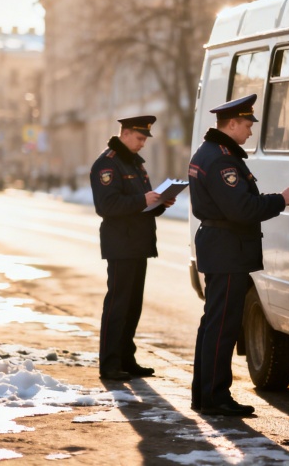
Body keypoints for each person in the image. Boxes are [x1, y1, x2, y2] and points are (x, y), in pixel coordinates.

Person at [188, 94, 289, 416]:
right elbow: (242, 209)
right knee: (222, 326)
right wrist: (281, 200)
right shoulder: (222, 160)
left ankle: (204, 394)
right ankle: (215, 397)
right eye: (248, 125)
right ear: (233, 123)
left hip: (221, 246)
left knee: (213, 324)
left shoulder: (208, 152)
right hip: (227, 250)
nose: (251, 132)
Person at [90, 115, 176, 381]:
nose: (142, 144)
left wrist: (160, 202)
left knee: (133, 305)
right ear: (125, 134)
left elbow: (141, 204)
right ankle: (110, 364)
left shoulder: (135, 164)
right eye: (139, 138)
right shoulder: (108, 164)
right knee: (118, 304)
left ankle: (127, 358)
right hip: (121, 244)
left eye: (144, 139)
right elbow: (107, 206)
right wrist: (143, 199)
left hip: (138, 243)